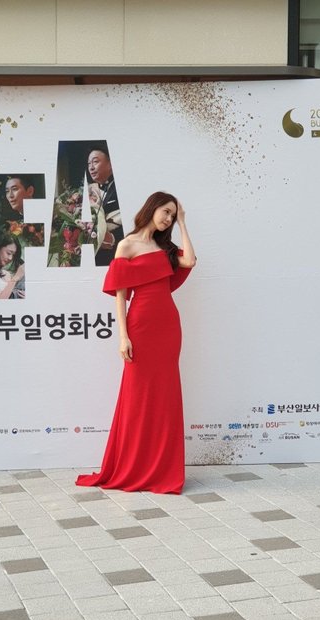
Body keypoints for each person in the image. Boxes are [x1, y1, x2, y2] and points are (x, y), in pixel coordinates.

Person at [76, 192, 196, 494]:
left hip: (168, 326)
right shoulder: (126, 245)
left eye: (172, 215)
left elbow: (190, 261)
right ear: (152, 208)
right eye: (166, 211)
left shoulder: (165, 248)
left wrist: (183, 222)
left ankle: (162, 468)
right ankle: (133, 465)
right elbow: (120, 296)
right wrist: (123, 336)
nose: (168, 218)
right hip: (140, 326)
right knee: (137, 397)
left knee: (166, 396)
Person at [87, 147, 124, 265]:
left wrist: (113, 238)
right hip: (94, 258)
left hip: (116, 255)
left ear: (110, 164)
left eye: (95, 162)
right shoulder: (88, 191)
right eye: (89, 164)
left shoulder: (123, 188)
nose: (91, 167)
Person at [0, 233, 25, 299]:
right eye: (8, 253)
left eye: (13, 255)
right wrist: (15, 278)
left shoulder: (6, 274)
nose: (10, 258)